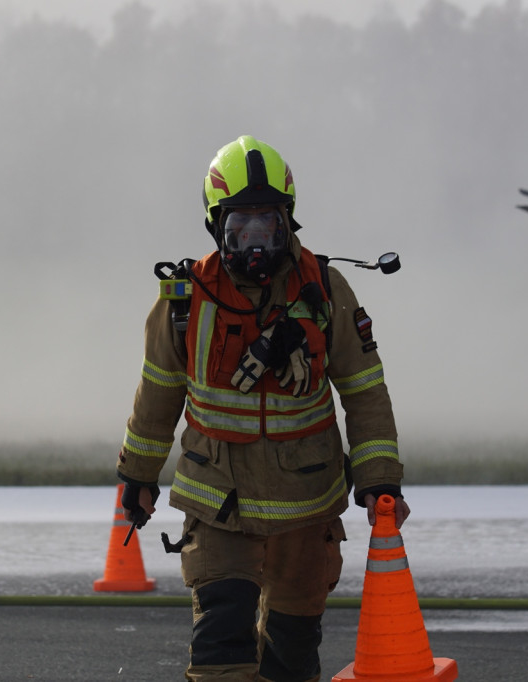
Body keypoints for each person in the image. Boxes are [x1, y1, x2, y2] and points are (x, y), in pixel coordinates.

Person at [116, 135, 409, 682]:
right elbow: (156, 395)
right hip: (218, 505)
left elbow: (365, 389)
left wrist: (379, 478)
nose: (256, 242)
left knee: (290, 662)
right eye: (240, 227)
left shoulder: (326, 289)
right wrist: (137, 477)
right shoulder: (183, 300)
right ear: (215, 224)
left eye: (268, 225)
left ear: (288, 222)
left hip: (307, 505)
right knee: (220, 656)